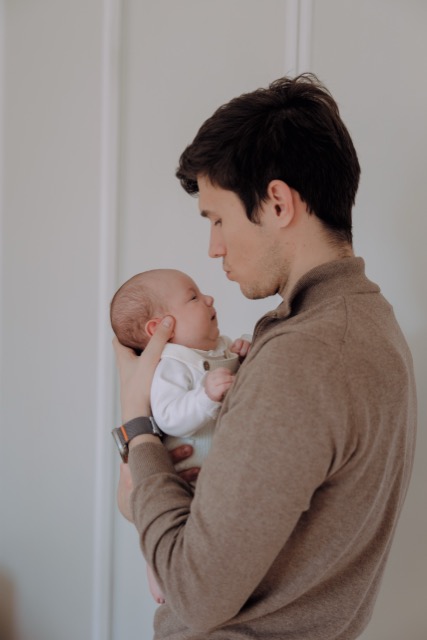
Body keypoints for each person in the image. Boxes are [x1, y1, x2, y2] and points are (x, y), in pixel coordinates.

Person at [112, 74, 417, 639]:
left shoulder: (306, 356)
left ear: (277, 203)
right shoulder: (367, 323)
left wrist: (136, 430)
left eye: (217, 219)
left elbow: (193, 592)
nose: (214, 248)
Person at [110, 268, 250, 603]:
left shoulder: (220, 346)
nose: (209, 299)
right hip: (182, 474)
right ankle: (156, 567)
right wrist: (205, 397)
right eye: (193, 297)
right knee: (169, 518)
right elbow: (169, 417)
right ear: (161, 328)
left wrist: (245, 352)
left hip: (216, 477)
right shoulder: (170, 364)